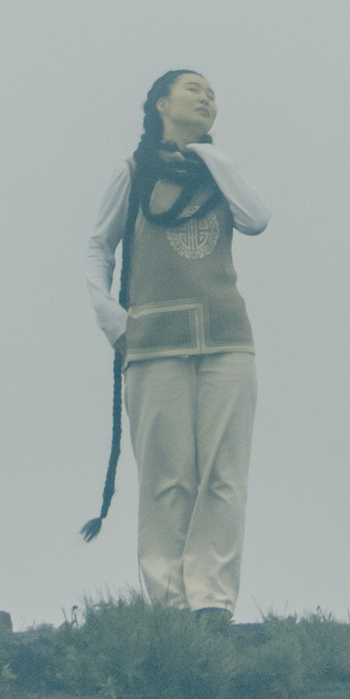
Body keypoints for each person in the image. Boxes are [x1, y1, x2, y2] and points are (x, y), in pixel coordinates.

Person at [79, 68, 270, 619]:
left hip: (226, 338)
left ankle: (211, 603)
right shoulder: (134, 172)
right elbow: (99, 246)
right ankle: (169, 606)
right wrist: (112, 320)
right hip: (154, 341)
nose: (207, 97)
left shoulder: (218, 174)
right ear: (161, 103)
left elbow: (257, 218)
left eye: (213, 95)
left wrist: (211, 156)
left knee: (224, 476)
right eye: (194, 89)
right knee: (167, 479)